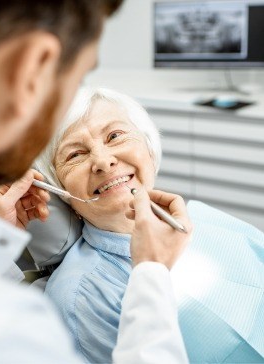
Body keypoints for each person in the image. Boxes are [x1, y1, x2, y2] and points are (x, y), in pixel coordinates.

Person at [0, 1, 193, 363]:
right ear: (32, 67)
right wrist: (150, 274)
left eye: (115, 135)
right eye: (80, 76)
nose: (103, 160)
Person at [35, 86, 264, 363]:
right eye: (75, 155)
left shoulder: (206, 220)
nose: (103, 161)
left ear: (149, 148)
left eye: (115, 136)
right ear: (61, 190)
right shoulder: (80, 296)